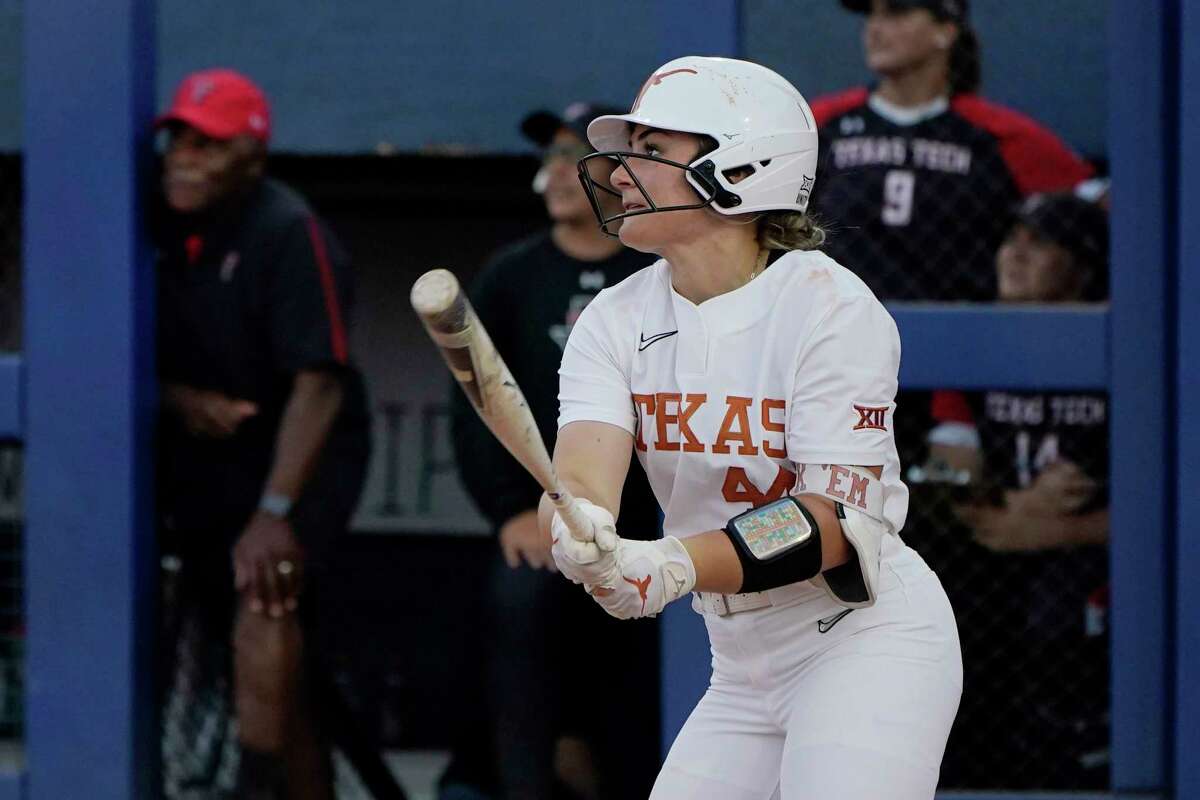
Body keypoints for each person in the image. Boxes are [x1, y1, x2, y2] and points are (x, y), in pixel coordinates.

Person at [545, 56, 962, 800]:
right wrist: (579, 527)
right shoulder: (614, 318)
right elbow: (582, 470)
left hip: (863, 644)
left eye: (653, 150)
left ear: (742, 168)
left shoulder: (830, 308)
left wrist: (669, 565)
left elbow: (832, 521)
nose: (617, 172)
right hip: (739, 664)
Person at [153, 69, 376, 800]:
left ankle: (252, 789)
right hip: (204, 454)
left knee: (265, 593)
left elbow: (320, 382)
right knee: (289, 684)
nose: (186, 157)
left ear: (251, 156)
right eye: (178, 139)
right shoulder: (150, 220)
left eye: (208, 146)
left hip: (300, 453)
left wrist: (275, 514)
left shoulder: (286, 229)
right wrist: (175, 397)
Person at [442, 103, 661, 800]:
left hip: (656, 528)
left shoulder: (656, 273)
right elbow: (473, 404)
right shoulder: (511, 275)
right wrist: (509, 511)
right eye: (548, 159)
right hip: (546, 519)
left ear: (621, 173)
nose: (557, 172)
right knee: (517, 602)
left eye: (574, 155)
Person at [919, 191, 1110, 789]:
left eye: (1040, 244)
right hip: (1001, 540)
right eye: (1011, 240)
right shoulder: (977, 340)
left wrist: (1060, 528)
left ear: (1082, 266)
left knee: (1061, 607)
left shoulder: (1125, 351)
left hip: (1092, 546)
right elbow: (952, 468)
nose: (1016, 255)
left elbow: (1160, 498)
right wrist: (1001, 508)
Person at [809, 0, 1095, 301]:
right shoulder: (823, 124)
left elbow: (1094, 207)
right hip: (838, 329)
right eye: (872, 14)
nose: (875, 28)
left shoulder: (998, 134)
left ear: (945, 31)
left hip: (964, 332)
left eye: (896, 12)